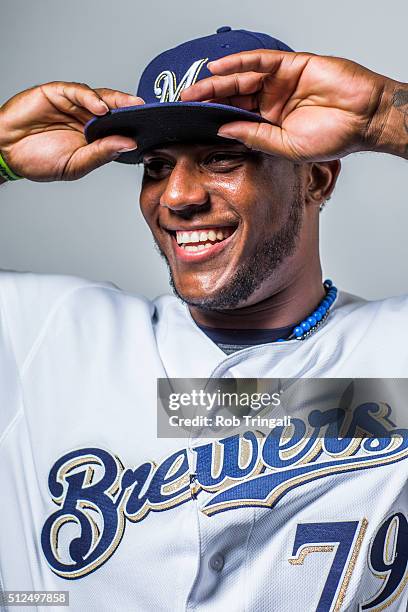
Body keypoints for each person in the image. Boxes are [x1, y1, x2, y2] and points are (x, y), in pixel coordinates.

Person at [0, 26, 407, 612]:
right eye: (157, 166)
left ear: (317, 176)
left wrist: (383, 117)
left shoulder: (397, 352)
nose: (178, 196)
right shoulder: (47, 334)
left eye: (222, 157)